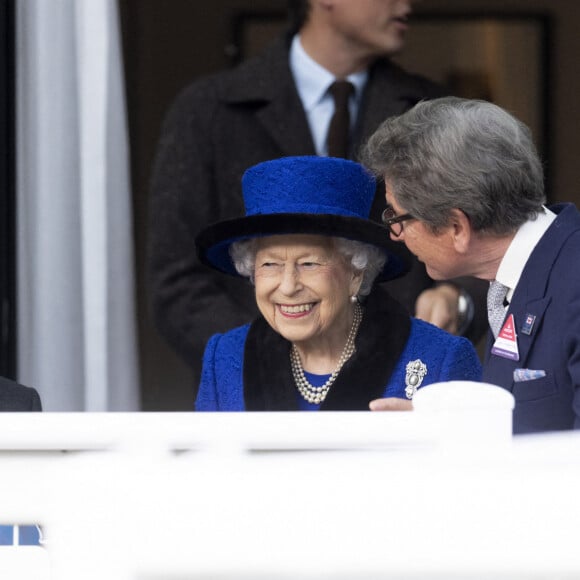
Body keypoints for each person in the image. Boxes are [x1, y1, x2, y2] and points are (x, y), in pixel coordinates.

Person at [148, 0, 488, 388]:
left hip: (400, 388)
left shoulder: (436, 114)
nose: (406, 5)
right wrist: (273, 358)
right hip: (256, 400)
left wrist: (457, 296)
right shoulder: (207, 112)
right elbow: (177, 282)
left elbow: (487, 239)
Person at [362, 96, 580, 434]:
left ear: (456, 228)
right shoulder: (516, 277)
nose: (395, 234)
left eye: (398, 216)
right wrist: (450, 431)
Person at [194, 156, 481, 411]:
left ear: (356, 273)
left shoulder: (441, 359)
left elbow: (477, 465)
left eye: (309, 263)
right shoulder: (225, 358)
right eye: (270, 264)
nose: (288, 286)